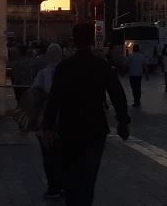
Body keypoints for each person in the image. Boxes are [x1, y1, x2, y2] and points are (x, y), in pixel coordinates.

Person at [41, 23, 130, 206]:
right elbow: (117, 94)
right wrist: (123, 121)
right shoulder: (101, 66)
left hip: (69, 130)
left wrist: (47, 127)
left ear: (74, 40)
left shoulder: (64, 67)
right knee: (88, 180)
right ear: (91, 40)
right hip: (95, 130)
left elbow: (54, 98)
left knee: (71, 179)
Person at [31, 43, 64, 199]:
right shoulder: (67, 73)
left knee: (48, 155)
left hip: (45, 120)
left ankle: (53, 186)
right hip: (64, 120)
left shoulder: (43, 74)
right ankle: (63, 184)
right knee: (62, 154)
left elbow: (35, 95)